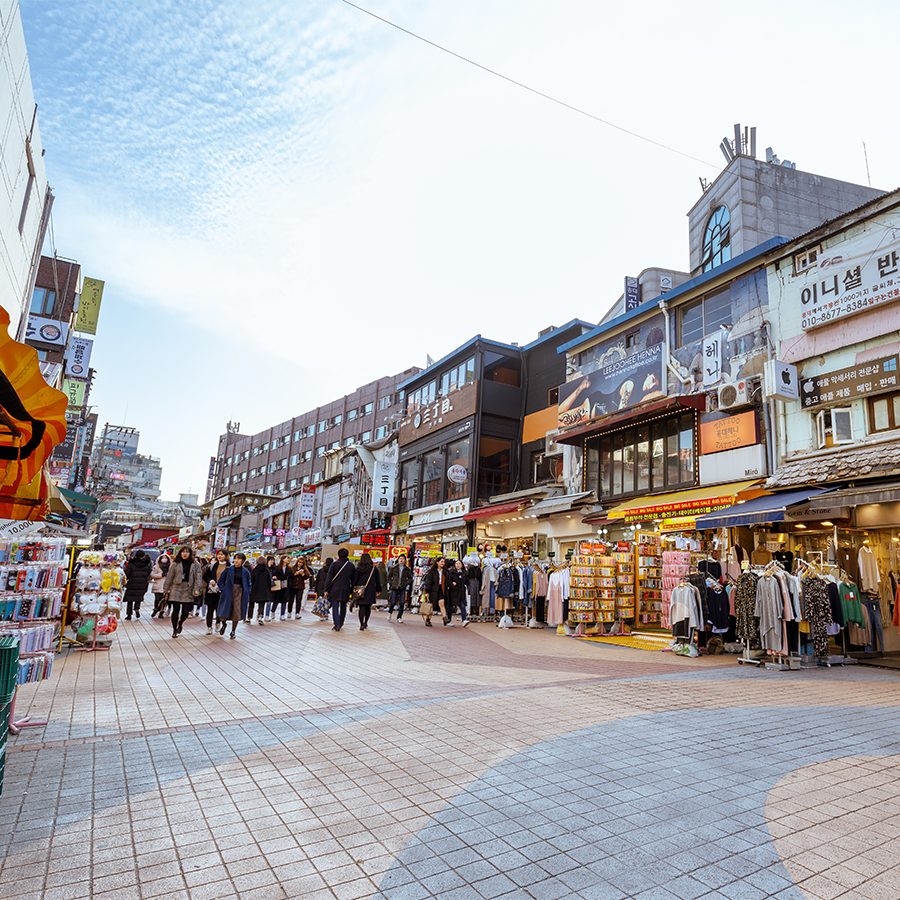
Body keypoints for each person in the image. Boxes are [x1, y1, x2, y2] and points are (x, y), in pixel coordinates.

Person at [163, 546, 203, 638]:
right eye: (183, 552)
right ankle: (174, 630)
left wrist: (197, 589)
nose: (185, 554)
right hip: (176, 587)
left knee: (185, 611)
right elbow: (169, 576)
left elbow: (198, 577)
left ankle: (180, 623)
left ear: (190, 554)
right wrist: (166, 589)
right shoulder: (175, 563)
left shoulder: (195, 564)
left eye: (187, 552)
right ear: (180, 553)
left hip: (188, 588)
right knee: (175, 610)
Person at [216, 552, 251, 639]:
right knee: (223, 612)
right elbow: (220, 581)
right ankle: (224, 624)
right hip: (228, 592)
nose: (236, 560)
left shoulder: (246, 571)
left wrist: (247, 591)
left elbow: (249, 583)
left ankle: (233, 631)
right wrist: (223, 589)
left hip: (240, 593)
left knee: (237, 611)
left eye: (239, 559)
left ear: (242, 561)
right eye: (235, 558)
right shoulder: (228, 569)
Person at [323, 548, 355, 632]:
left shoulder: (334, 564)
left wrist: (326, 589)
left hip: (334, 588)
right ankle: (341, 623)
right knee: (343, 606)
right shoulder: (351, 565)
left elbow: (329, 578)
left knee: (335, 606)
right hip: (346, 588)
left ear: (338, 555)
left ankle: (336, 624)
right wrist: (351, 589)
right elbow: (353, 579)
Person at [203, 550, 230, 635]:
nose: (220, 556)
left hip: (222, 591)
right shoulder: (213, 565)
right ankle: (209, 627)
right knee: (210, 609)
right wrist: (210, 580)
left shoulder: (229, 566)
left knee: (219, 609)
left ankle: (218, 623)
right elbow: (205, 576)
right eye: (219, 554)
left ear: (226, 556)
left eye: (222, 555)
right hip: (212, 591)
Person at [351, 552, 380, 631]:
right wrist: (378, 590)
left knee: (362, 608)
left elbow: (354, 580)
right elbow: (377, 581)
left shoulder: (358, 569)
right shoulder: (374, 569)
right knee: (368, 607)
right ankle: (366, 622)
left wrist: (353, 589)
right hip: (370, 590)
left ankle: (361, 624)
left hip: (360, 590)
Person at [123, 550, 152, 621]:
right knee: (138, 597)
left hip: (132, 582)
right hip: (142, 583)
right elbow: (149, 572)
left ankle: (129, 615)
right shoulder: (146, 563)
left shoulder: (131, 563)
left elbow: (127, 573)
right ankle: (136, 608)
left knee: (130, 599)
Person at [420, 556, 447, 627]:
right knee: (431, 605)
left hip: (441, 589)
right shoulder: (432, 571)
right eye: (441, 562)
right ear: (437, 562)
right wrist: (427, 592)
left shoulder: (445, 571)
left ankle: (444, 618)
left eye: (444, 562)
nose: (443, 563)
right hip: (433, 590)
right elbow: (428, 582)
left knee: (442, 603)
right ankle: (428, 619)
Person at [387, 554, 412, 622]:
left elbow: (410, 578)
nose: (401, 560)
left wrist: (406, 583)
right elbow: (388, 577)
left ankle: (399, 617)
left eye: (403, 559)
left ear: (405, 560)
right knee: (393, 602)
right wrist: (391, 583)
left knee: (402, 603)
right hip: (394, 587)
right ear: (398, 559)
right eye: (400, 558)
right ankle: (390, 613)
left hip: (402, 588)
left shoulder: (407, 569)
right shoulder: (393, 568)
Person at [250, 556, 272, 625]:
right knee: (261, 604)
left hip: (255, 589)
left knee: (251, 603)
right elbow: (269, 581)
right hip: (264, 590)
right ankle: (260, 617)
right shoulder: (267, 570)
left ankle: (249, 617)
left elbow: (251, 580)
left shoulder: (254, 570)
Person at [448, 558, 469, 627]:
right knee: (451, 606)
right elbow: (448, 581)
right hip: (453, 592)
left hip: (461, 592)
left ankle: (464, 620)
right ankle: (449, 620)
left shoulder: (464, 572)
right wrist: (452, 584)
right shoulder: (451, 572)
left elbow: (467, 582)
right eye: (456, 563)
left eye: (459, 563)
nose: (458, 565)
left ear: (462, 565)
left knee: (462, 606)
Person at [149, 552, 171, 618]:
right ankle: (156, 609)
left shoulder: (170, 567)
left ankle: (161, 612)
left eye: (165, 558)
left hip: (166, 586)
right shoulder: (156, 567)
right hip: (158, 585)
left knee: (165, 600)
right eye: (163, 558)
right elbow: (152, 575)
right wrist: (161, 575)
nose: (164, 559)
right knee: (157, 599)